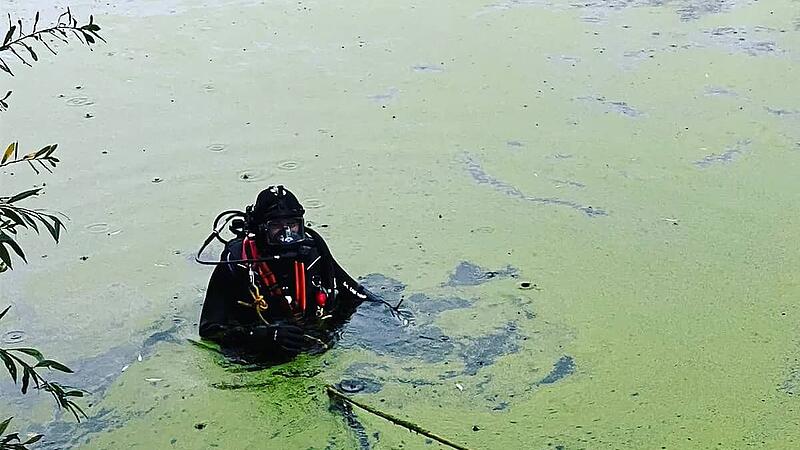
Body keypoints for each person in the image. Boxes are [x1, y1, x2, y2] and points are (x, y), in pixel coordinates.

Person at [198, 185, 388, 361]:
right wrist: (262, 336)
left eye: (293, 224)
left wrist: (332, 330)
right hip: (259, 357)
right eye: (276, 226)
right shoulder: (237, 263)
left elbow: (355, 294)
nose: (287, 233)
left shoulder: (313, 251)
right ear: (260, 229)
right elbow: (209, 329)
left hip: (311, 346)